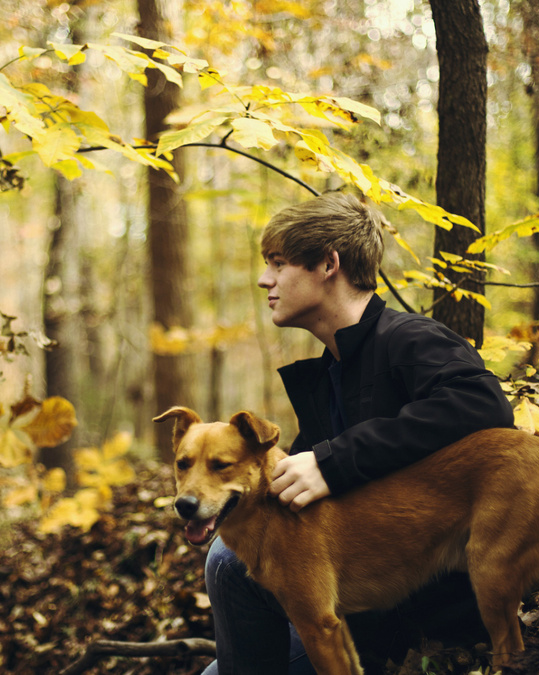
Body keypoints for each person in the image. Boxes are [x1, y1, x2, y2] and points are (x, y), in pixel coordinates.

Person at [201, 192, 515, 675]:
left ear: (329, 264)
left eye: (278, 263)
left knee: (225, 562)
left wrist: (333, 462)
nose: (265, 279)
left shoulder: (408, 338)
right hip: (347, 604)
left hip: (420, 618)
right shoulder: (332, 370)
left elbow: (484, 404)